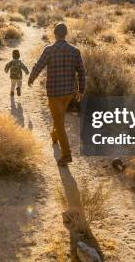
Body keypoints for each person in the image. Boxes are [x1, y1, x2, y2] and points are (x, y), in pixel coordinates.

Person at [28, 23, 85, 166]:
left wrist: (31, 79)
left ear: (55, 34)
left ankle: (66, 155)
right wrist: (81, 90)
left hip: (54, 93)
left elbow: (39, 65)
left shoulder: (49, 50)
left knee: (59, 122)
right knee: (58, 117)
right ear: (66, 34)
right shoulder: (75, 51)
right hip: (68, 93)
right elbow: (82, 72)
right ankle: (54, 137)